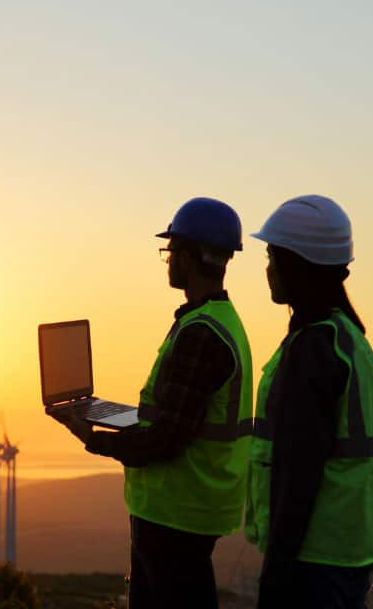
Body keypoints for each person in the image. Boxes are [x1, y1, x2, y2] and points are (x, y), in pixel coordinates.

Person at [56, 197, 254, 609]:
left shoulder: (201, 333)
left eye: (171, 251)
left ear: (191, 256)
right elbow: (176, 419)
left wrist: (94, 437)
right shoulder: (217, 321)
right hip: (186, 509)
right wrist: (120, 419)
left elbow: (167, 439)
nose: (167, 261)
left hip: (175, 513)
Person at [245, 195, 373, 609]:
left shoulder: (314, 348)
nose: (267, 268)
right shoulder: (350, 341)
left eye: (272, 255)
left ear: (298, 263)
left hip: (312, 562)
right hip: (346, 555)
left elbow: (297, 473)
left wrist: (275, 573)